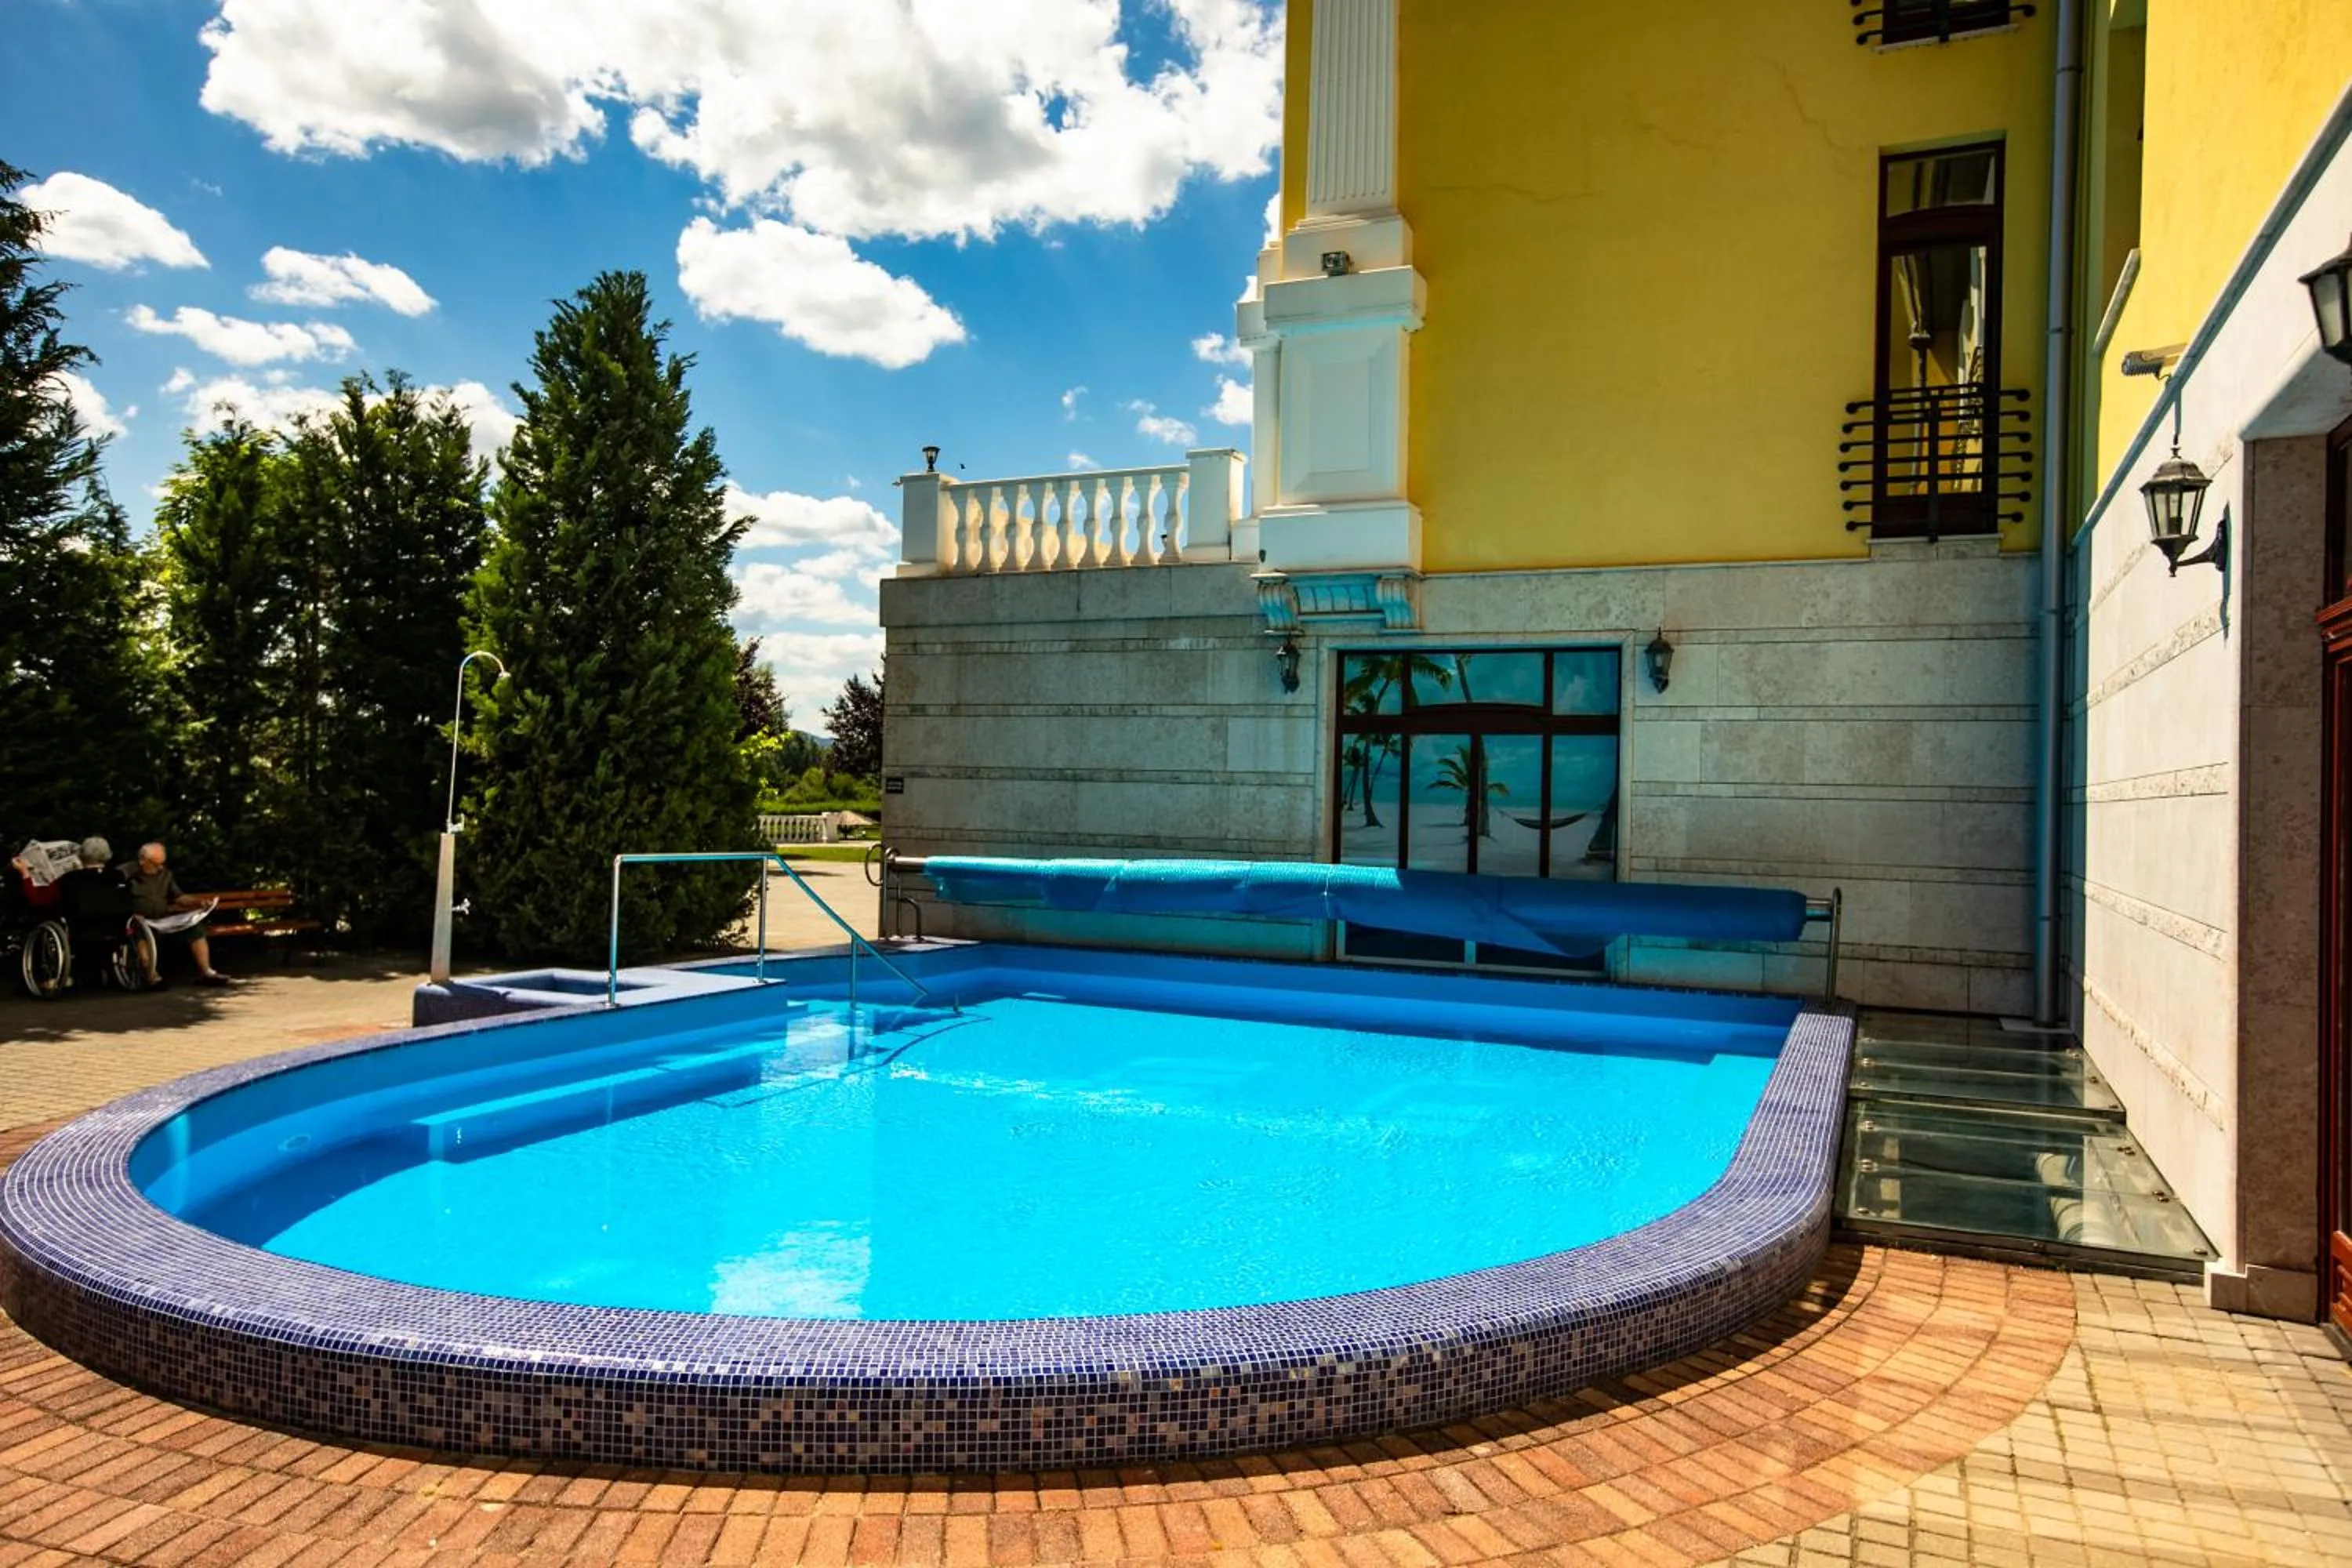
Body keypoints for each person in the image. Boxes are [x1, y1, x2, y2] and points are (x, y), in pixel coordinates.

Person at [121, 840, 230, 987]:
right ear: (143, 861)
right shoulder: (126, 872)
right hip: (138, 920)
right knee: (139, 931)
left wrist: (199, 903)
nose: (160, 868)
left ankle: (206, 972)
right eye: (156, 864)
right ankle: (151, 975)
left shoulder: (165, 874)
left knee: (195, 927)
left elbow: (179, 897)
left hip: (162, 919)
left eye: (162, 864)